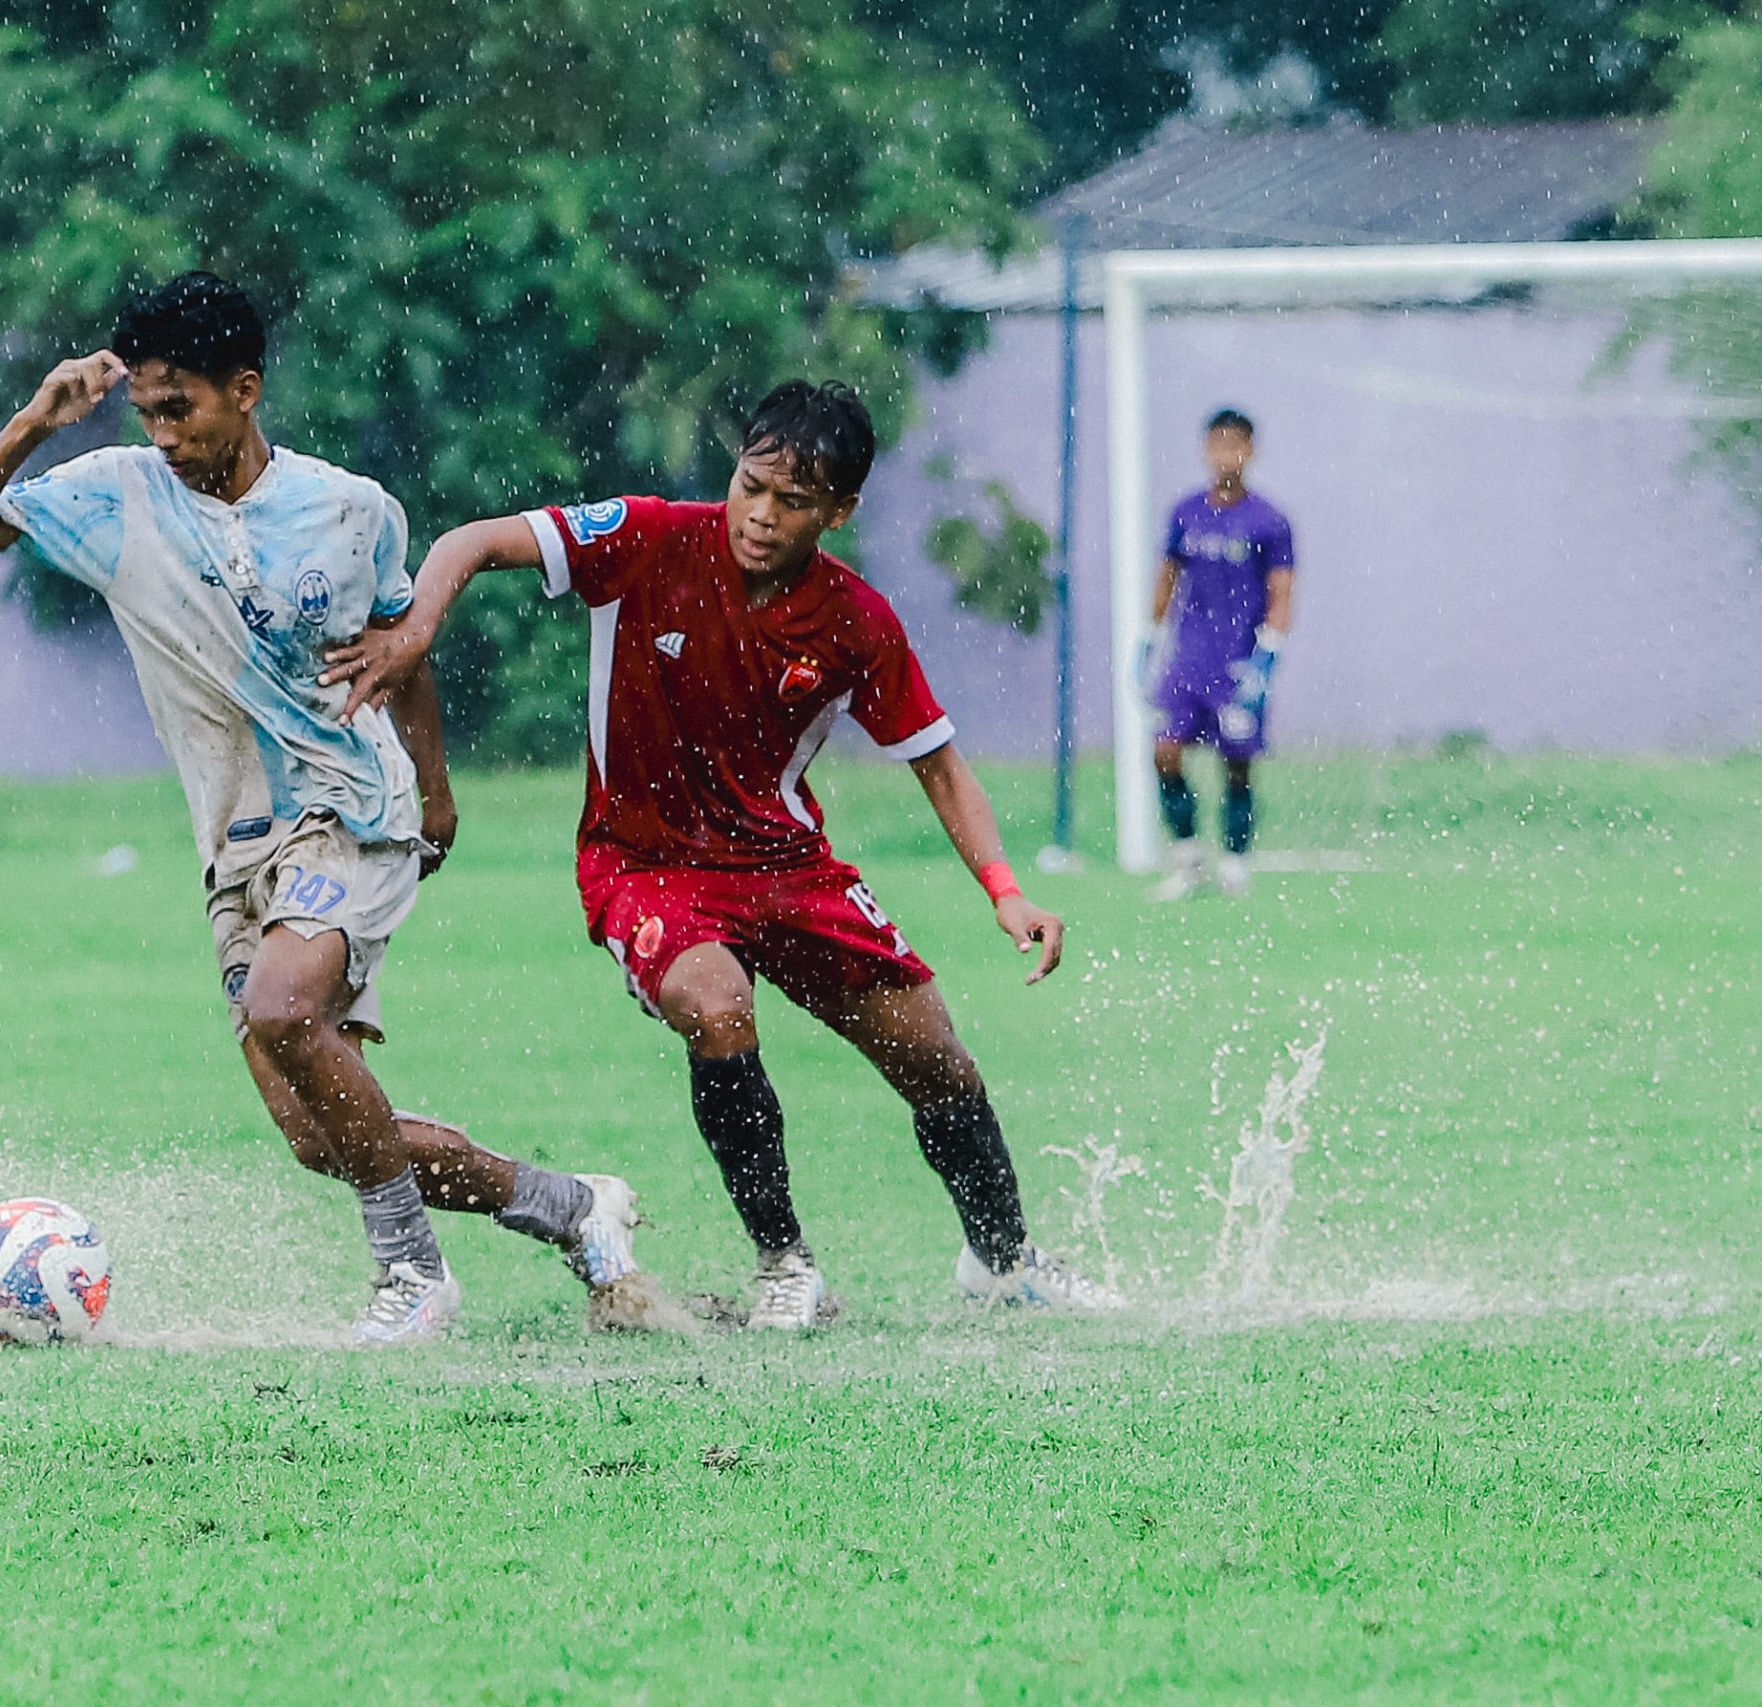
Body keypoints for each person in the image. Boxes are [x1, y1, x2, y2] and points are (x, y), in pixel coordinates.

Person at [0, 272, 649, 1344]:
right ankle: (570, 1207)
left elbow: (401, 650)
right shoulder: (116, 493)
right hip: (236, 848)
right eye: (148, 412)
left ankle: (412, 1274)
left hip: (351, 809)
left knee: (279, 1007)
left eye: (182, 409)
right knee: (322, 1135)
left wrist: (436, 790)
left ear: (246, 390)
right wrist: (37, 419)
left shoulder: (349, 509)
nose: (164, 435)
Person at [324, 380, 1119, 1325]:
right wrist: (417, 629)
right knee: (718, 1005)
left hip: (787, 866)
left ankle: (1004, 1259)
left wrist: (1005, 890)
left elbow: (939, 764)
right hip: (644, 862)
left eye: (793, 501)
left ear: (839, 511)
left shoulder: (855, 621)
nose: (761, 515)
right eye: (751, 486)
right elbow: (472, 541)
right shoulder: (647, 538)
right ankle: (786, 1263)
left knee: (934, 1055)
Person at [1140, 408, 1297, 900]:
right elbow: (1167, 577)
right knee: (1165, 751)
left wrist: (1267, 657)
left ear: (1250, 451)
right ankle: (1188, 861)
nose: (1226, 456)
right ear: (1205, 450)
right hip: (1189, 659)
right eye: (1218, 445)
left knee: (1236, 762)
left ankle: (1234, 863)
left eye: (1236, 446)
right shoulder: (1186, 513)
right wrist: (1148, 641)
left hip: (1237, 662)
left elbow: (1281, 593)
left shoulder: (1269, 522)